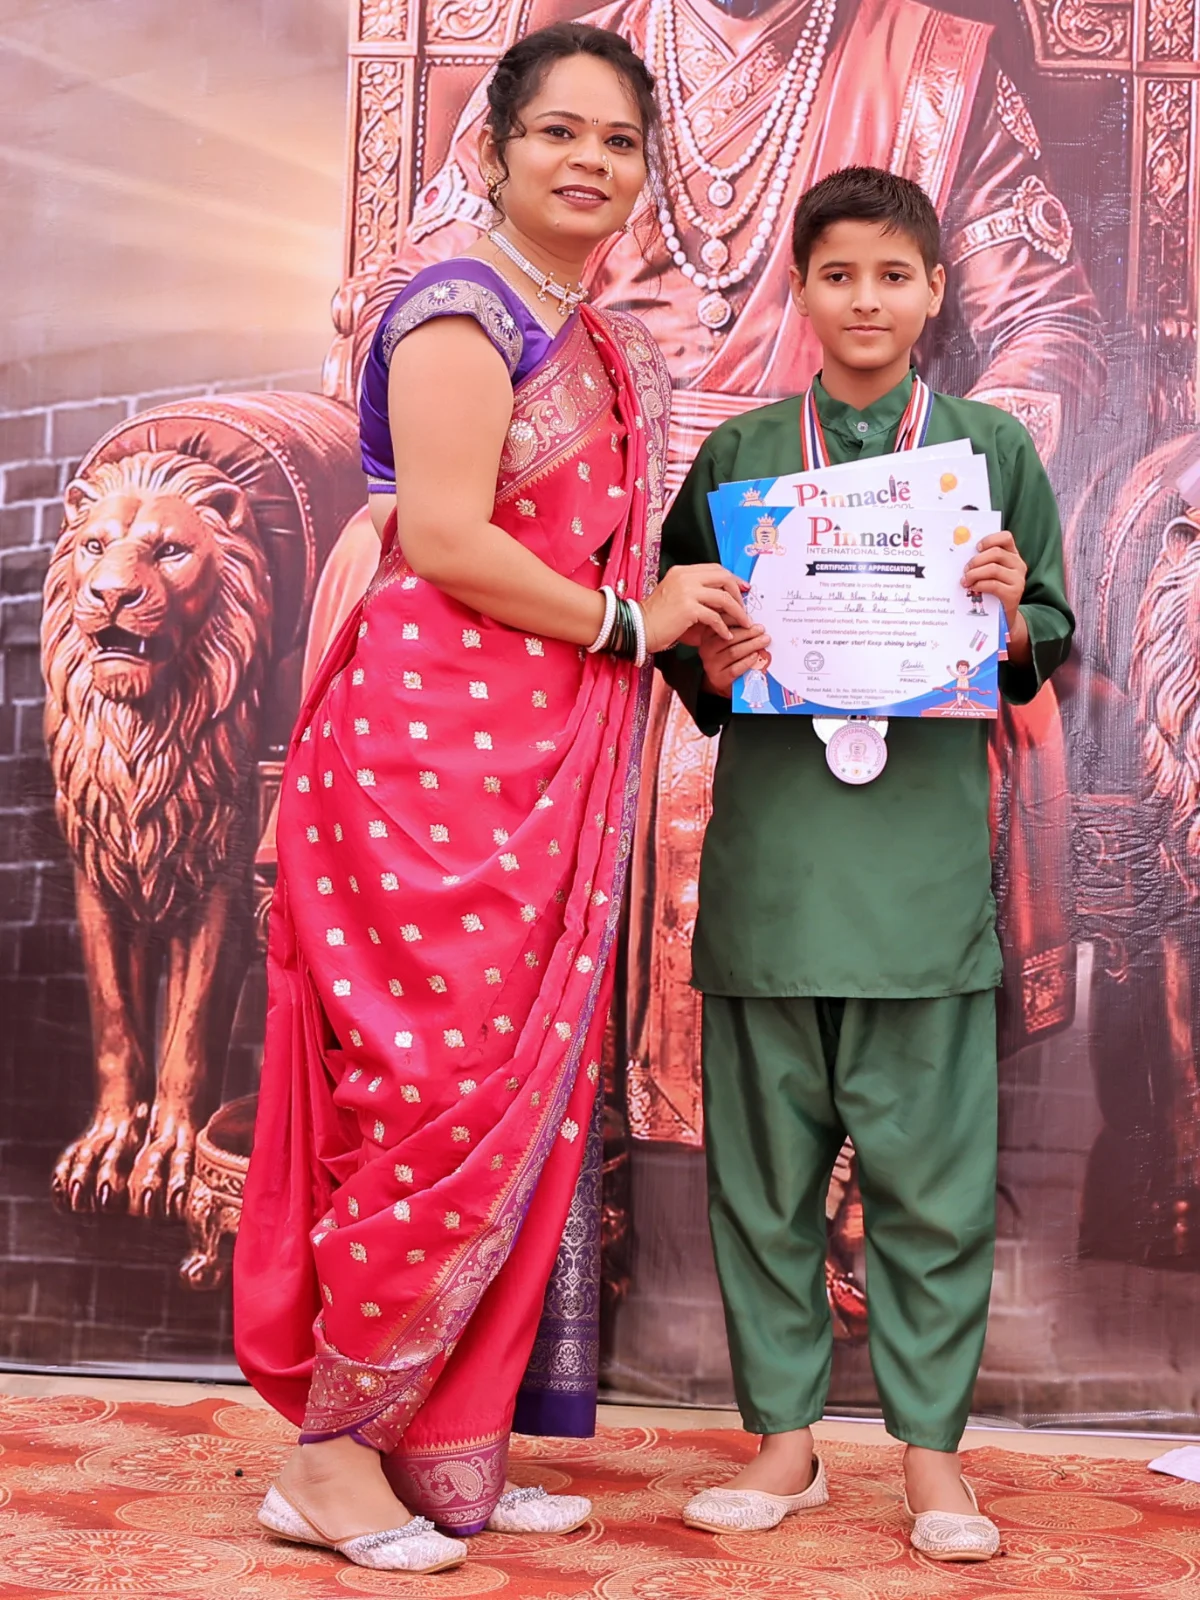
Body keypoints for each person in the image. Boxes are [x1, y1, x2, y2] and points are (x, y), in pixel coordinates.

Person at [371, 0, 1100, 1168]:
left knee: (838, 696)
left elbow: (1049, 326)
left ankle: (834, 1142)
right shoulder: (576, 81)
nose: (593, 156)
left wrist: (910, 497)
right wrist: (535, 431)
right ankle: (535, 1145)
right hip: (564, 516)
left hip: (841, 514)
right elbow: (411, 289)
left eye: (616, 147)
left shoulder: (936, 68)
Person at [233, 24, 749, 1577]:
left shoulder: (592, 336)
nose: (591, 162)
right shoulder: (462, 309)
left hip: (542, 751)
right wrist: (631, 625)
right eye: (558, 133)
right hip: (428, 758)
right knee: (427, 1092)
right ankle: (327, 1461)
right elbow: (449, 537)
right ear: (496, 151)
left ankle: (440, 1440)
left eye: (620, 142)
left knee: (515, 1098)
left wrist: (690, 613)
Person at [657, 166, 1073, 1562]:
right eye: (838, 274)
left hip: (921, 889)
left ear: (937, 290)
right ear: (800, 288)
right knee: (762, 1184)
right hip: (775, 879)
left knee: (933, 1190)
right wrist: (716, 653)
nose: (866, 300)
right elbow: (685, 643)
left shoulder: (986, 456)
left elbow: (1045, 636)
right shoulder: (741, 457)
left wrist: (1009, 616)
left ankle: (933, 1461)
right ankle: (784, 1445)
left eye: (894, 275)